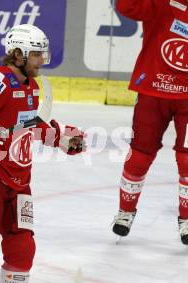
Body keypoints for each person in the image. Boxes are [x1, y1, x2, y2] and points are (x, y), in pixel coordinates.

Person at [0, 24, 85, 283]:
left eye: (43, 54)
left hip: (18, 179)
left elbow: (29, 125)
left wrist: (60, 137)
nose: (42, 60)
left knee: (22, 249)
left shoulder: (31, 86)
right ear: (18, 55)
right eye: (36, 54)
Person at [112, 0, 188, 244]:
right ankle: (125, 211)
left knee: (187, 158)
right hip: (153, 92)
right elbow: (125, 7)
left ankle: (186, 219)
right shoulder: (162, 2)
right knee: (140, 154)